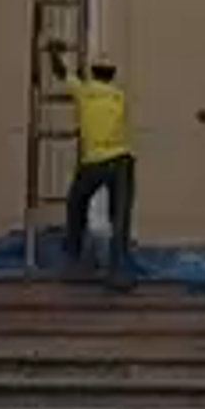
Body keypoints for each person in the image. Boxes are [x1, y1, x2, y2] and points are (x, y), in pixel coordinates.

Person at [62, 56, 136, 284]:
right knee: (120, 217)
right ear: (112, 76)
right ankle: (118, 271)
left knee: (75, 204)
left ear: (93, 73)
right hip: (121, 160)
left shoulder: (84, 91)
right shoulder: (120, 97)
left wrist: (54, 53)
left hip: (93, 161)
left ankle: (74, 262)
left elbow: (61, 73)